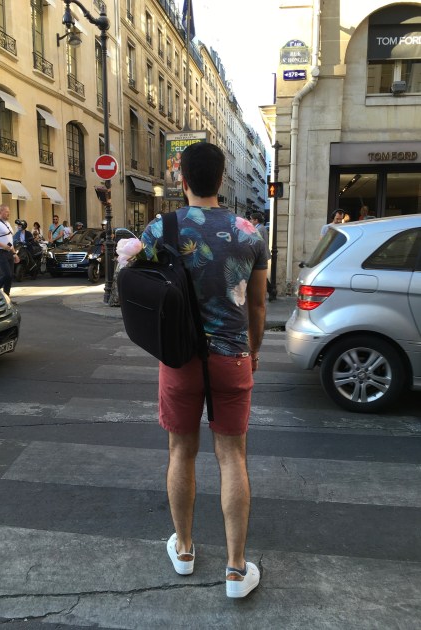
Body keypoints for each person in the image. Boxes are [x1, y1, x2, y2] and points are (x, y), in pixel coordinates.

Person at [141, 142, 267, 598]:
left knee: (181, 453)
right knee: (232, 457)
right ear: (222, 178)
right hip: (232, 356)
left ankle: (185, 550)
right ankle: (236, 569)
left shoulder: (160, 229)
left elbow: (146, 293)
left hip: (179, 358)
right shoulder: (249, 233)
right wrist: (253, 350)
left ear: (183, 179)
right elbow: (257, 305)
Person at [250, 212, 272, 299]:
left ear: (256, 220)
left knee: (259, 275)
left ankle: (270, 290)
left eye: (252, 219)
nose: (250, 221)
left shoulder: (259, 229)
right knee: (259, 274)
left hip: (260, 255)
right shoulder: (260, 228)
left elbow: (256, 242)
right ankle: (270, 290)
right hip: (261, 254)